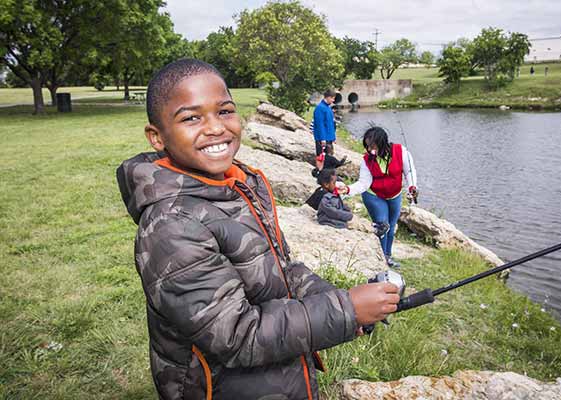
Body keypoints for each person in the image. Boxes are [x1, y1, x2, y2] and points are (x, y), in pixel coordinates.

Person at [115, 59, 400, 400]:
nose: (215, 128)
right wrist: (345, 310)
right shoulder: (172, 227)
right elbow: (237, 336)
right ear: (157, 137)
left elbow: (282, 269)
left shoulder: (238, 184)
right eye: (191, 118)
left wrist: (340, 301)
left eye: (224, 111)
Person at [339, 126, 417, 269]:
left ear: (382, 143)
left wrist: (412, 186)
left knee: (392, 227)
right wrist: (348, 189)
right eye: (367, 147)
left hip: (395, 195)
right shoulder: (367, 160)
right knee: (383, 225)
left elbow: (409, 172)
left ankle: (387, 256)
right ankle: (380, 261)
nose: (369, 150)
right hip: (374, 195)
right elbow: (363, 183)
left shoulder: (401, 152)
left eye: (372, 147)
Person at [313, 89, 337, 156]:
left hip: (329, 137)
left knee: (329, 156)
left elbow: (331, 124)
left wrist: (333, 137)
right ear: (328, 97)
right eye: (333, 98)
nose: (333, 101)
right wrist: (322, 138)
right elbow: (320, 125)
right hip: (322, 138)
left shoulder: (328, 108)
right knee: (321, 157)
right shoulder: (320, 108)